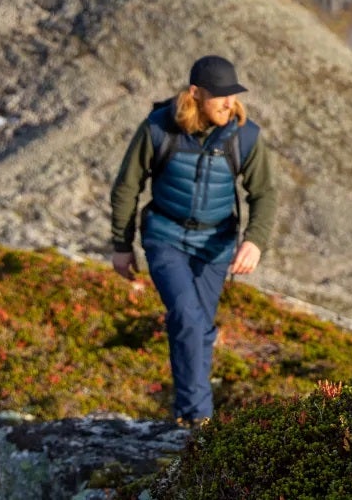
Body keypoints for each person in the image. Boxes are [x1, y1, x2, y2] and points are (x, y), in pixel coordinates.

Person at [109, 54, 279, 427]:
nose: (229, 103)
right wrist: (121, 246)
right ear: (196, 94)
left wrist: (255, 241)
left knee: (199, 327)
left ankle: (187, 414)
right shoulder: (159, 128)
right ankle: (197, 417)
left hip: (215, 245)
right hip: (165, 237)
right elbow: (127, 186)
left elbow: (263, 193)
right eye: (220, 96)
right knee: (186, 315)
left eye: (232, 95)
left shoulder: (245, 136)